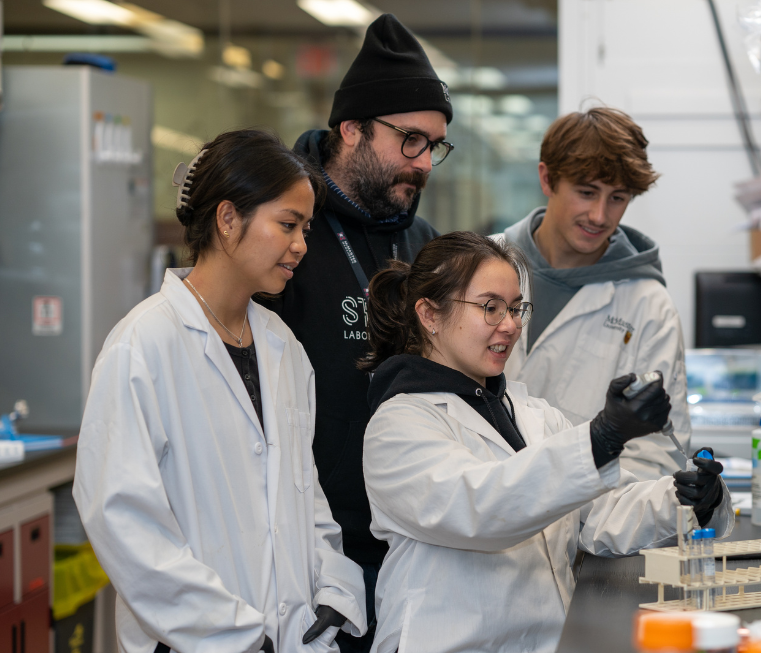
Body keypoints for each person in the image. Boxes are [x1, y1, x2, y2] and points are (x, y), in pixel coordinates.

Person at [359, 232, 732, 653]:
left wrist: (688, 500)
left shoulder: (526, 409)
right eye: (490, 308)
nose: (512, 324)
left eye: (516, 308)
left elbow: (598, 513)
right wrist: (600, 438)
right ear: (429, 314)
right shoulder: (400, 423)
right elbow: (481, 507)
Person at [74, 129, 367, 653]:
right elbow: (123, 520)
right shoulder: (144, 344)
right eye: (287, 225)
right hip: (193, 641)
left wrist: (333, 587)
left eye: (305, 228)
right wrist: (232, 632)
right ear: (228, 219)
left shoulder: (282, 346)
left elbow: (306, 491)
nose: (302, 245)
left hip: (293, 634)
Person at [256, 14, 452, 653]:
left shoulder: (419, 242)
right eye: (410, 141)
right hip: (316, 551)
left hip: (409, 543)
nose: (423, 163)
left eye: (435, 146)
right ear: (352, 130)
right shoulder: (288, 236)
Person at [502, 107, 691, 480]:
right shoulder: (476, 268)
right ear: (547, 178)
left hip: (589, 528)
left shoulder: (647, 305)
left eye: (617, 198)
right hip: (474, 515)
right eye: (586, 192)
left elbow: (657, 457)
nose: (600, 216)